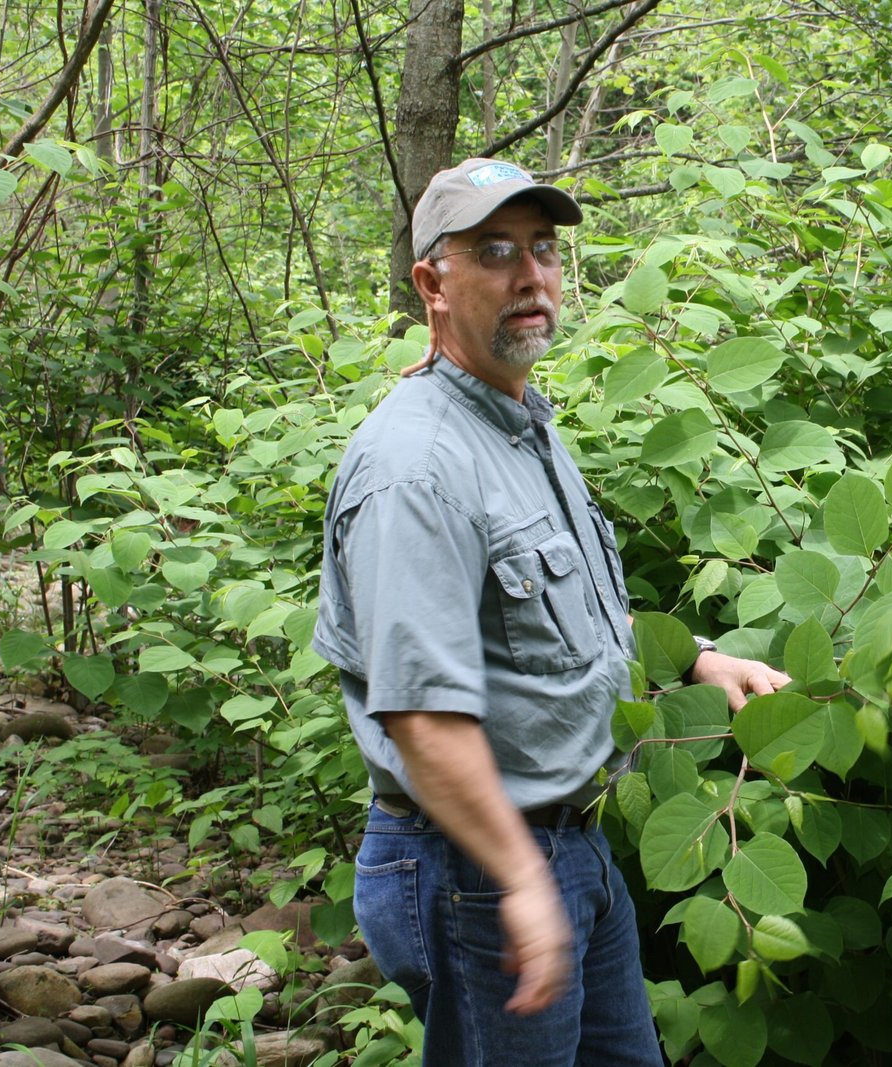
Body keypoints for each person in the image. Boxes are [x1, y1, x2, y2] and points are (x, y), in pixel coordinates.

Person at [312, 157, 790, 1065]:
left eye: (543, 248)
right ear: (432, 284)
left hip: (565, 846)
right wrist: (520, 877)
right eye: (494, 252)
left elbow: (558, 618)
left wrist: (697, 658)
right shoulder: (418, 468)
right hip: (477, 866)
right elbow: (419, 714)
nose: (531, 275)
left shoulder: (518, 420)